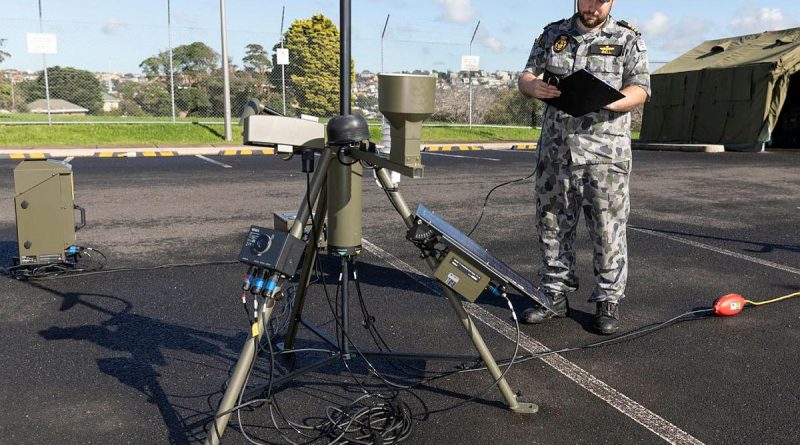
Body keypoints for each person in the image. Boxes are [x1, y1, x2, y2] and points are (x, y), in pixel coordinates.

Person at [517, 0, 650, 334]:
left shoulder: (627, 38)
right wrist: (532, 86)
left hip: (605, 154)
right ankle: (553, 295)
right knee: (551, 225)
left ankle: (608, 299)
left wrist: (608, 98)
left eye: (601, 1)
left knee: (607, 229)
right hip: (556, 152)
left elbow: (641, 89)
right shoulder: (553, 34)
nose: (593, 6)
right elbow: (526, 74)